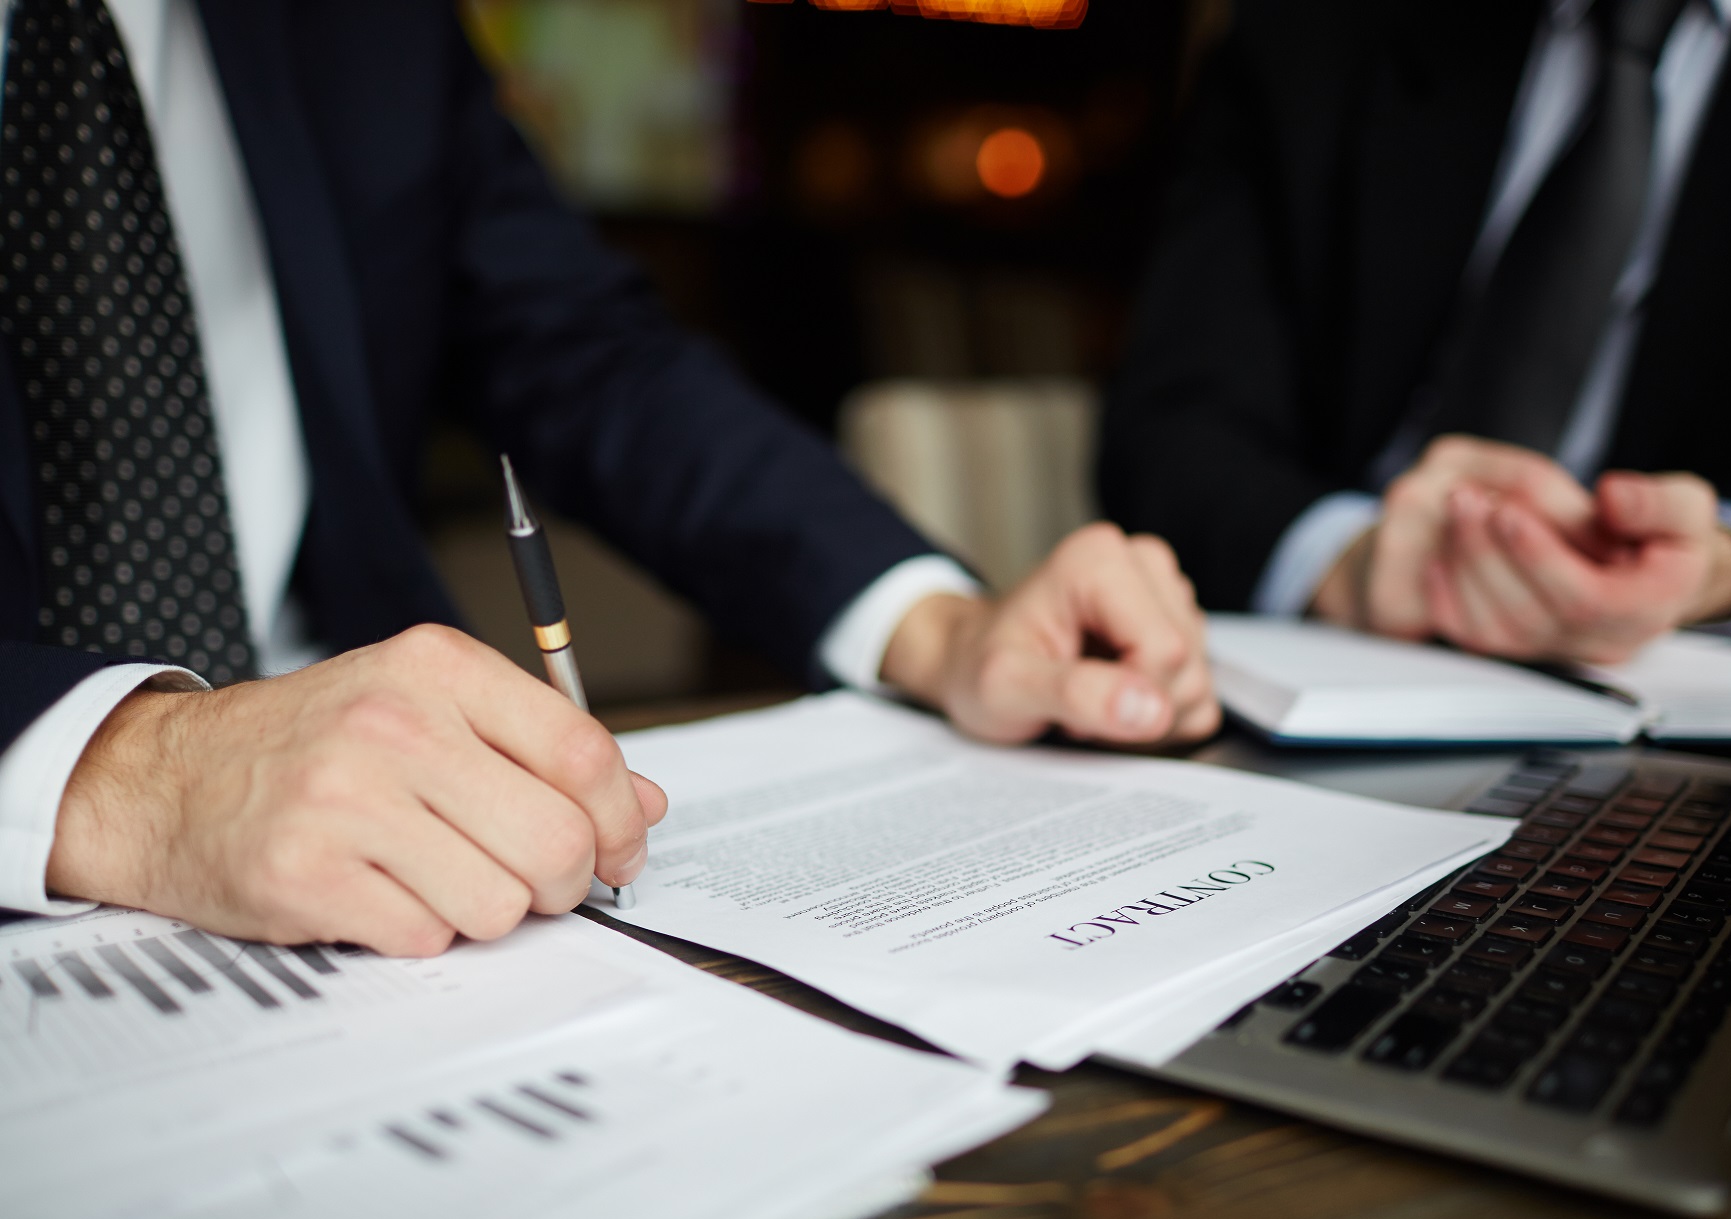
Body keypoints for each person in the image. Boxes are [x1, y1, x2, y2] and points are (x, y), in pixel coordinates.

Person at [0, 0, 1218, 955]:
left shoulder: (358, 19)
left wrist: (938, 626)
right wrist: (127, 773)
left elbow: (589, 353)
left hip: (418, 894)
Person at [1100, 0, 1731, 667]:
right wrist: (1352, 564)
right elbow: (1175, 420)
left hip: (1689, 690)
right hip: (1327, 659)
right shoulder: (1318, 27)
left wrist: (1726, 565)